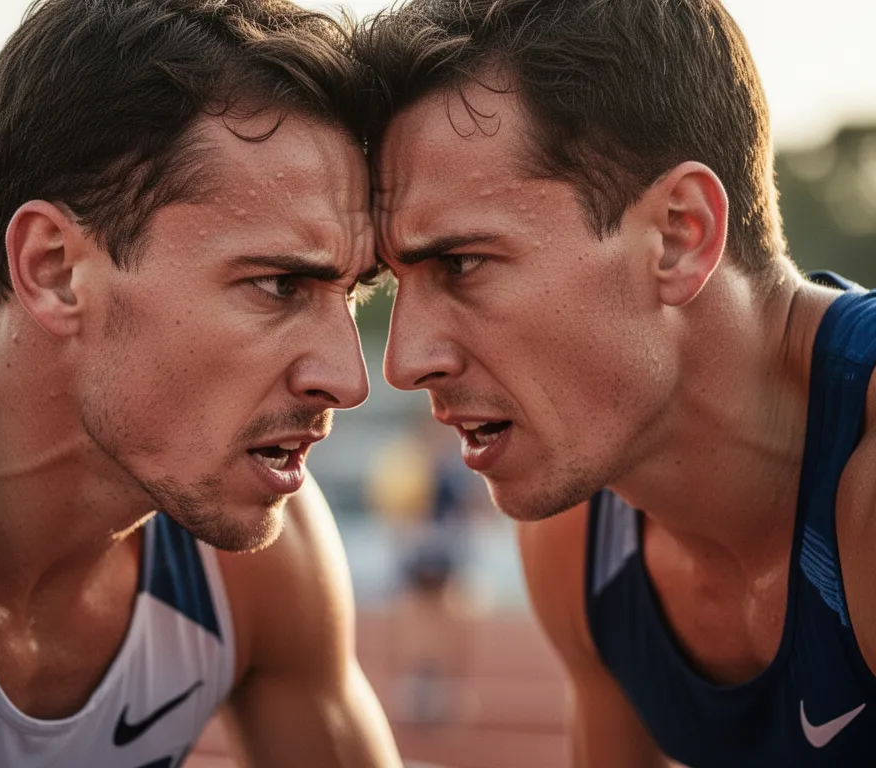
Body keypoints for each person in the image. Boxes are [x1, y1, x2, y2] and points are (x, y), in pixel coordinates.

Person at [0, 1, 403, 766]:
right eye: (280, 285)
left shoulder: (266, 549)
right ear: (55, 269)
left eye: (351, 294)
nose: (347, 379)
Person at [356, 0, 876, 765]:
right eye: (396, 283)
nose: (403, 362)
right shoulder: (576, 535)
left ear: (677, 235)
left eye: (461, 263)